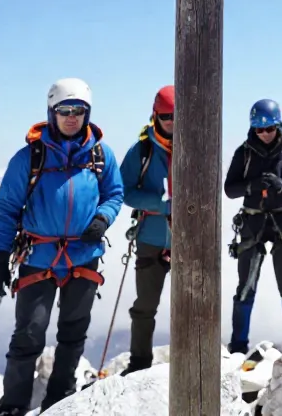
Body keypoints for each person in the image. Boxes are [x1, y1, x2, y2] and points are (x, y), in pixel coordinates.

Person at [0, 78, 124, 416]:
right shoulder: (30, 157)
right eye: (65, 110)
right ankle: (14, 405)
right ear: (52, 112)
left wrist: (103, 219)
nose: (72, 117)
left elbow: (114, 194)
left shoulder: (100, 154)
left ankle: (60, 400)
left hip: (83, 255)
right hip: (39, 255)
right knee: (29, 334)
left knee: (73, 332)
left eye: (79, 111)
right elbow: (7, 209)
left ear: (88, 114)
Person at [223, 98, 282, 355]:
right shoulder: (244, 152)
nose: (264, 134)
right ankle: (239, 344)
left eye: (269, 129)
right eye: (259, 130)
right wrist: (252, 187)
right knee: (246, 285)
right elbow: (230, 189)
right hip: (254, 222)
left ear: (278, 125)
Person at [117, 85, 174, 376]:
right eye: (166, 116)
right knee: (145, 306)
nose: (172, 121)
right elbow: (123, 190)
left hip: (189, 240)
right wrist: (161, 203)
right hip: (151, 237)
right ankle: (140, 363)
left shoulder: (197, 144)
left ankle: (194, 355)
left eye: (178, 115)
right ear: (155, 116)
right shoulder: (141, 150)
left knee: (193, 302)